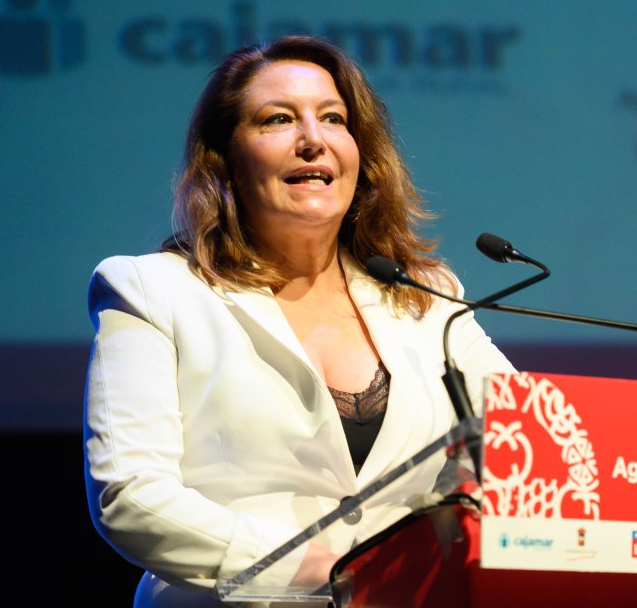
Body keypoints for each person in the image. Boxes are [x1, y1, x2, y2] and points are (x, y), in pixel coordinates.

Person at [83, 34, 514, 607]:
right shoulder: (153, 292)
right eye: (278, 119)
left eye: (333, 119)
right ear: (226, 161)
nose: (313, 140)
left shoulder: (427, 297)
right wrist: (327, 566)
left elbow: (520, 447)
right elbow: (131, 497)